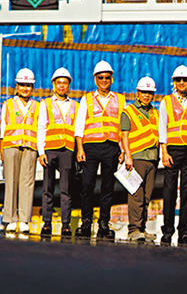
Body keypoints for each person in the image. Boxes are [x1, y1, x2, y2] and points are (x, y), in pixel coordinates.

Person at [75, 60, 127, 240]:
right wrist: (80, 149)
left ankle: (104, 223)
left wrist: (122, 150)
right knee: (87, 185)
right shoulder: (86, 99)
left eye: (107, 77)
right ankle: (86, 222)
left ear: (111, 78)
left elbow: (123, 127)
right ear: (95, 79)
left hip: (111, 147)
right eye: (100, 77)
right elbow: (79, 126)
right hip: (90, 147)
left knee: (108, 186)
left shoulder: (120, 99)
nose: (104, 80)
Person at [159, 65, 187, 246]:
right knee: (169, 191)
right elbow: (162, 126)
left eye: (185, 80)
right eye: (178, 80)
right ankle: (167, 231)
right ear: (174, 82)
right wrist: (164, 150)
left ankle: (184, 232)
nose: (182, 83)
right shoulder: (166, 101)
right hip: (173, 150)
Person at [37, 68, 77, 237]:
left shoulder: (76, 105)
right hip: (50, 150)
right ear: (53, 84)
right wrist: (41, 151)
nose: (62, 85)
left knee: (66, 189)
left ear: (69, 85)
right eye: (59, 82)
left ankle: (65, 224)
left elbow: (78, 130)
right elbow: (41, 127)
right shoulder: (45, 104)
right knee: (48, 187)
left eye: (65, 82)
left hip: (67, 150)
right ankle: (46, 223)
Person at [0, 68, 39, 234]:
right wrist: (1, 149)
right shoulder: (8, 104)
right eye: (22, 85)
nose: (25, 88)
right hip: (10, 146)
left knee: (27, 183)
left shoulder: (37, 106)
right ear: (16, 86)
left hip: (30, 147)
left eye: (28, 85)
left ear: (32, 87)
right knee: (11, 182)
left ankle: (24, 220)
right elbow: (2, 128)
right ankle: (9, 218)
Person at [122, 76, 160, 243]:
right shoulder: (128, 111)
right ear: (137, 92)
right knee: (136, 194)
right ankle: (133, 229)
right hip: (136, 158)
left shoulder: (155, 112)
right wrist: (127, 156)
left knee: (146, 196)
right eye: (144, 92)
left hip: (152, 158)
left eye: (150, 92)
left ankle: (142, 229)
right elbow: (124, 135)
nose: (147, 95)